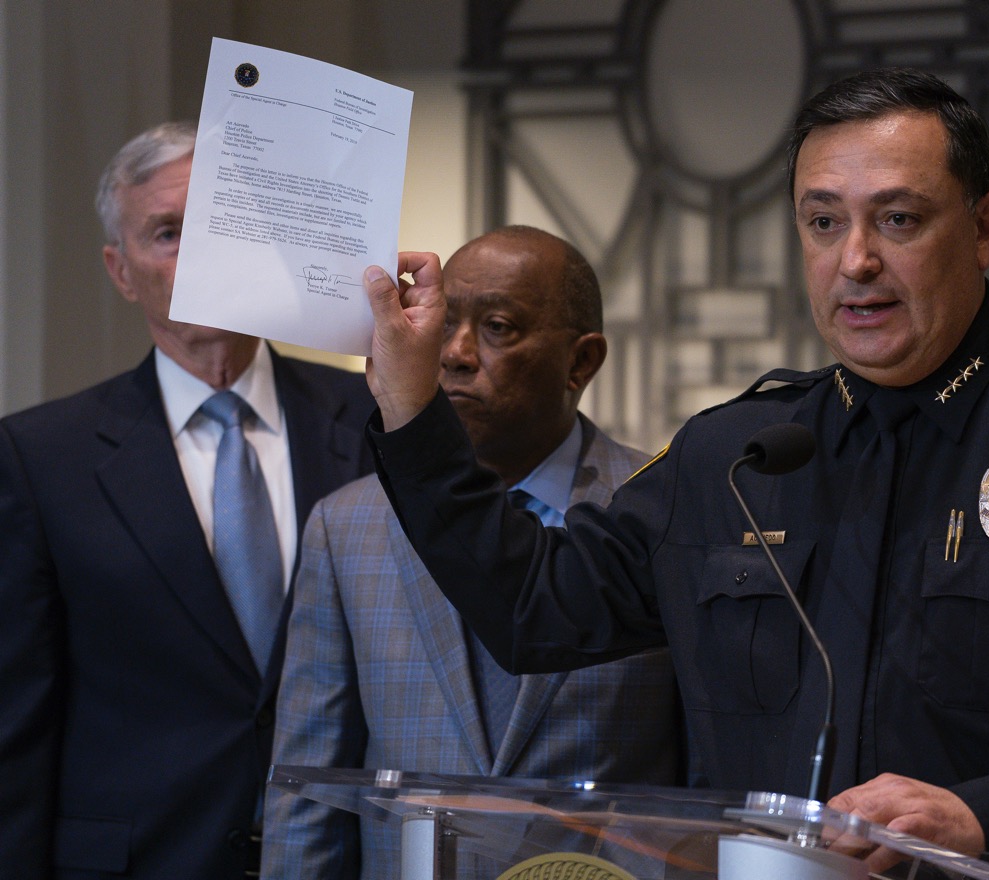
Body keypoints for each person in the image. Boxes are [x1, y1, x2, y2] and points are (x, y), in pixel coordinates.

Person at [357, 69, 989, 880]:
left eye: (898, 220)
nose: (855, 260)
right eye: (824, 221)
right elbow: (534, 609)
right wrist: (410, 410)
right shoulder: (738, 456)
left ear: (984, 227)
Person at [0, 121, 376, 879]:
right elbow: (17, 719)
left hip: (346, 853)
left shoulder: (375, 420)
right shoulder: (41, 457)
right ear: (121, 270)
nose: (200, 253)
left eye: (220, 224)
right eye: (169, 233)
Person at [261, 226, 688, 879]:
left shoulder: (662, 518)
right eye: (442, 324)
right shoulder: (347, 527)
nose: (454, 354)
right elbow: (309, 786)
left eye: (497, 327)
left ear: (582, 362)